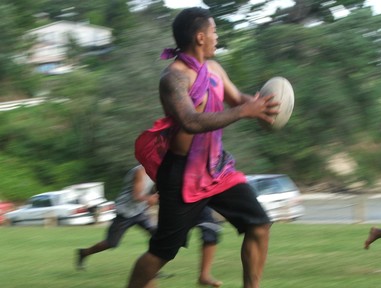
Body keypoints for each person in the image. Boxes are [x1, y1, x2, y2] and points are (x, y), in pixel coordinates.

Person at [128, 7, 279, 288]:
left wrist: (265, 107)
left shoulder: (215, 69)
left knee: (259, 224)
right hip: (181, 174)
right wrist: (247, 111)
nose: (216, 38)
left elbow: (237, 99)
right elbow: (191, 121)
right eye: (214, 32)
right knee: (163, 251)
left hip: (217, 168)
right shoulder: (173, 77)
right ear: (200, 37)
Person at [76, 164, 223, 287]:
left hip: (140, 212)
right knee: (111, 243)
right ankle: (84, 252)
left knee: (158, 236)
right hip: (125, 212)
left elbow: (156, 190)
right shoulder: (140, 171)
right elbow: (137, 195)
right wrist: (151, 198)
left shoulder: (159, 171)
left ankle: (152, 269)